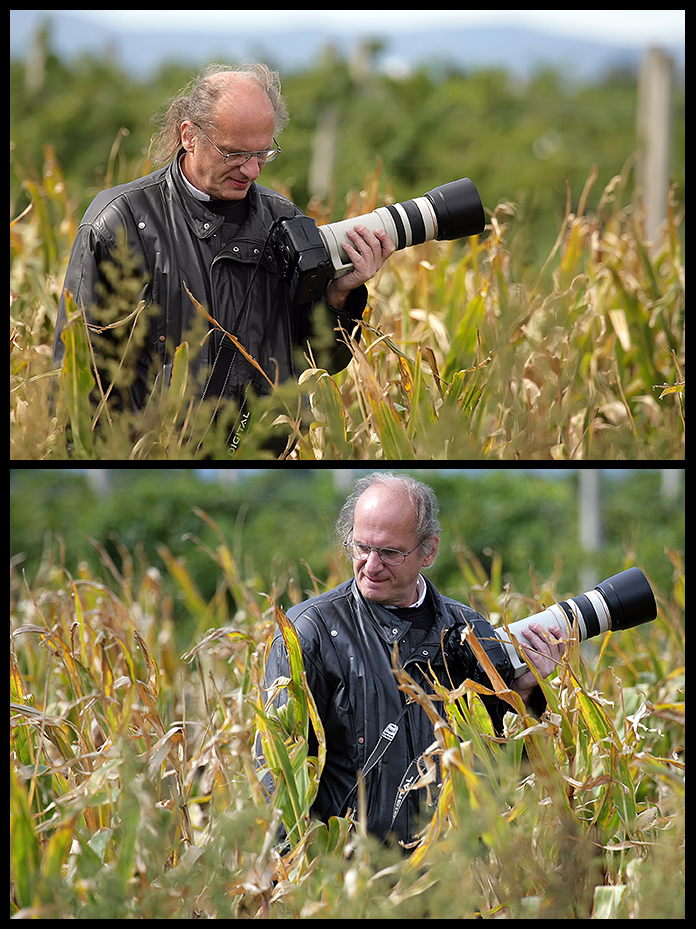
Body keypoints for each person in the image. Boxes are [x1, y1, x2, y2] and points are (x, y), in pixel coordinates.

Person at [52, 62, 395, 424]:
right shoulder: (119, 223)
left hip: (268, 452)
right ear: (189, 136)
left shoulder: (286, 221)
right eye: (234, 153)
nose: (252, 170)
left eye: (262, 153)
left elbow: (320, 362)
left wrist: (340, 296)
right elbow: (75, 379)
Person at [260, 472, 566, 845]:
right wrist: (288, 879)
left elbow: (506, 769)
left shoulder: (469, 628)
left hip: (446, 881)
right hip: (345, 882)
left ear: (429, 550)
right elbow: (277, 776)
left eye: (389, 553)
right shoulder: (310, 633)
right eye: (360, 548)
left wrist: (524, 694)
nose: (370, 566)